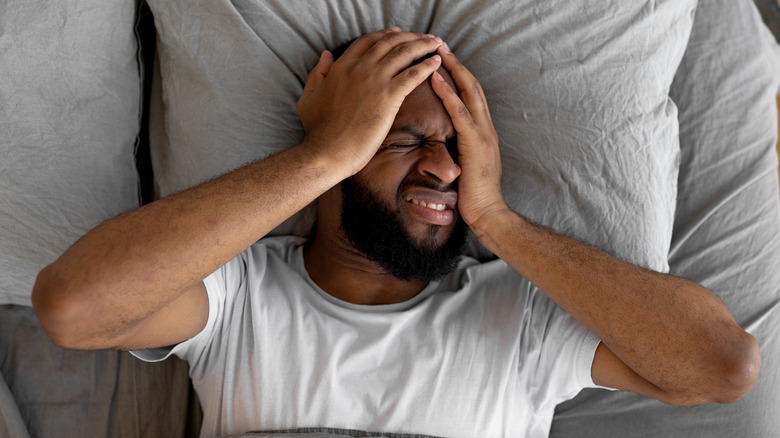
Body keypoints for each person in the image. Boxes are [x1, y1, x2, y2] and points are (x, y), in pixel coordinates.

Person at [32, 28, 760, 437]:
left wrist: (498, 221)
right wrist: (323, 155)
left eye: (459, 145)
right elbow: (71, 306)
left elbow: (722, 367)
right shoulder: (242, 296)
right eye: (405, 139)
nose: (445, 167)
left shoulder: (518, 316)